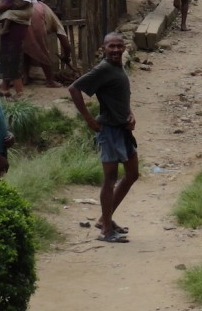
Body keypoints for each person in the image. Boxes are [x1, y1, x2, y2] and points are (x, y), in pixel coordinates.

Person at [68, 32, 138, 244]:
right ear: (103, 48)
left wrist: (131, 114)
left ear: (124, 47)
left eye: (119, 46)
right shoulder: (104, 68)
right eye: (111, 47)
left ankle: (104, 219)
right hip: (109, 131)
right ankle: (106, 230)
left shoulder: (117, 67)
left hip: (123, 129)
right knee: (110, 179)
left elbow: (118, 97)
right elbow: (74, 89)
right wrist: (89, 120)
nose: (116, 50)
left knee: (132, 174)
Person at [21, 0, 73, 88]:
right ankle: (50, 81)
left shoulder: (43, 6)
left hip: (25, 11)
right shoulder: (56, 20)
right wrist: (66, 57)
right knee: (42, 49)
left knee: (26, 47)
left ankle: (25, 77)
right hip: (35, 14)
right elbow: (66, 45)